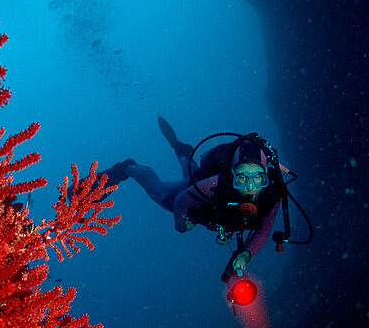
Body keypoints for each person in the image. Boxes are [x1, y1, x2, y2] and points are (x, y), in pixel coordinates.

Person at [102, 117, 283, 278]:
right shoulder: (216, 184)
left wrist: (246, 254)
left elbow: (264, 230)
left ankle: (184, 152)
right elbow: (181, 200)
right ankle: (127, 167)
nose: (251, 188)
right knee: (155, 189)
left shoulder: (272, 194)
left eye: (259, 178)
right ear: (232, 175)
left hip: (203, 195)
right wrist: (181, 225)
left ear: (267, 174)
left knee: (193, 176)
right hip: (194, 203)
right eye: (242, 178)